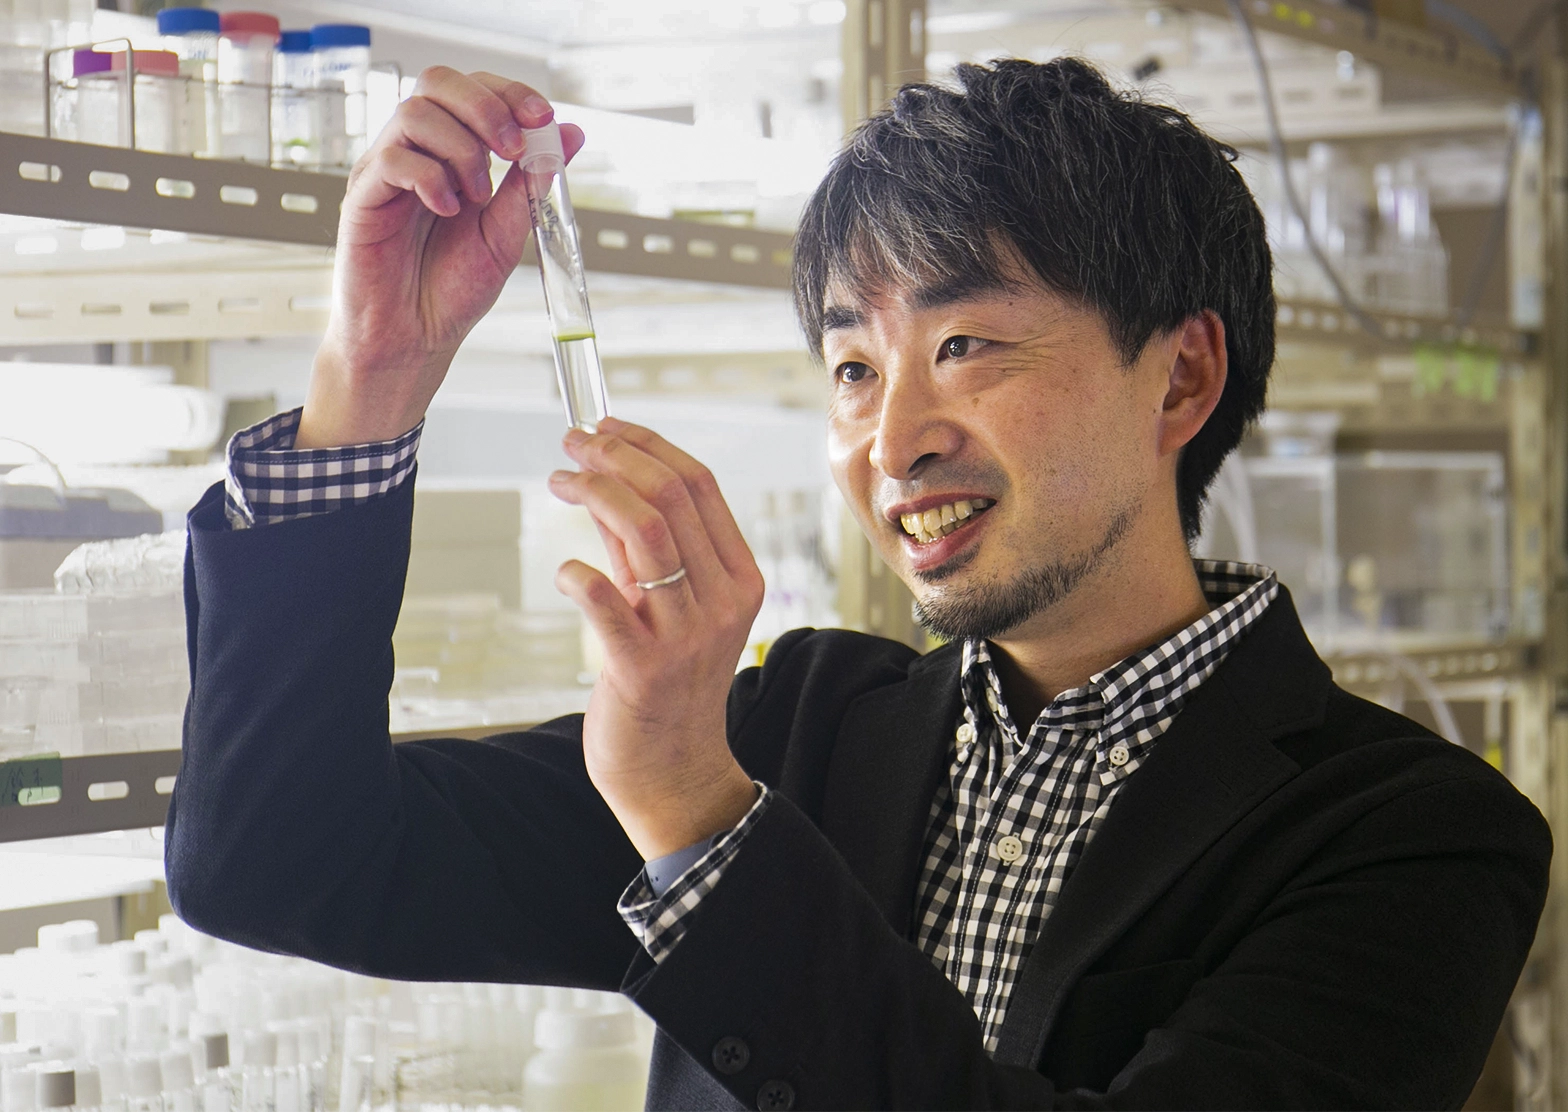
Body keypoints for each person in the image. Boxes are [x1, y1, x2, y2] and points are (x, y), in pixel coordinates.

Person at [166, 57, 1550, 1111]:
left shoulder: (1415, 840)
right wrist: (373, 379)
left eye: (966, 347)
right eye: (853, 367)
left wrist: (706, 827)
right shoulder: (805, 725)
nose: (891, 443)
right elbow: (285, 858)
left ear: (1179, 375)